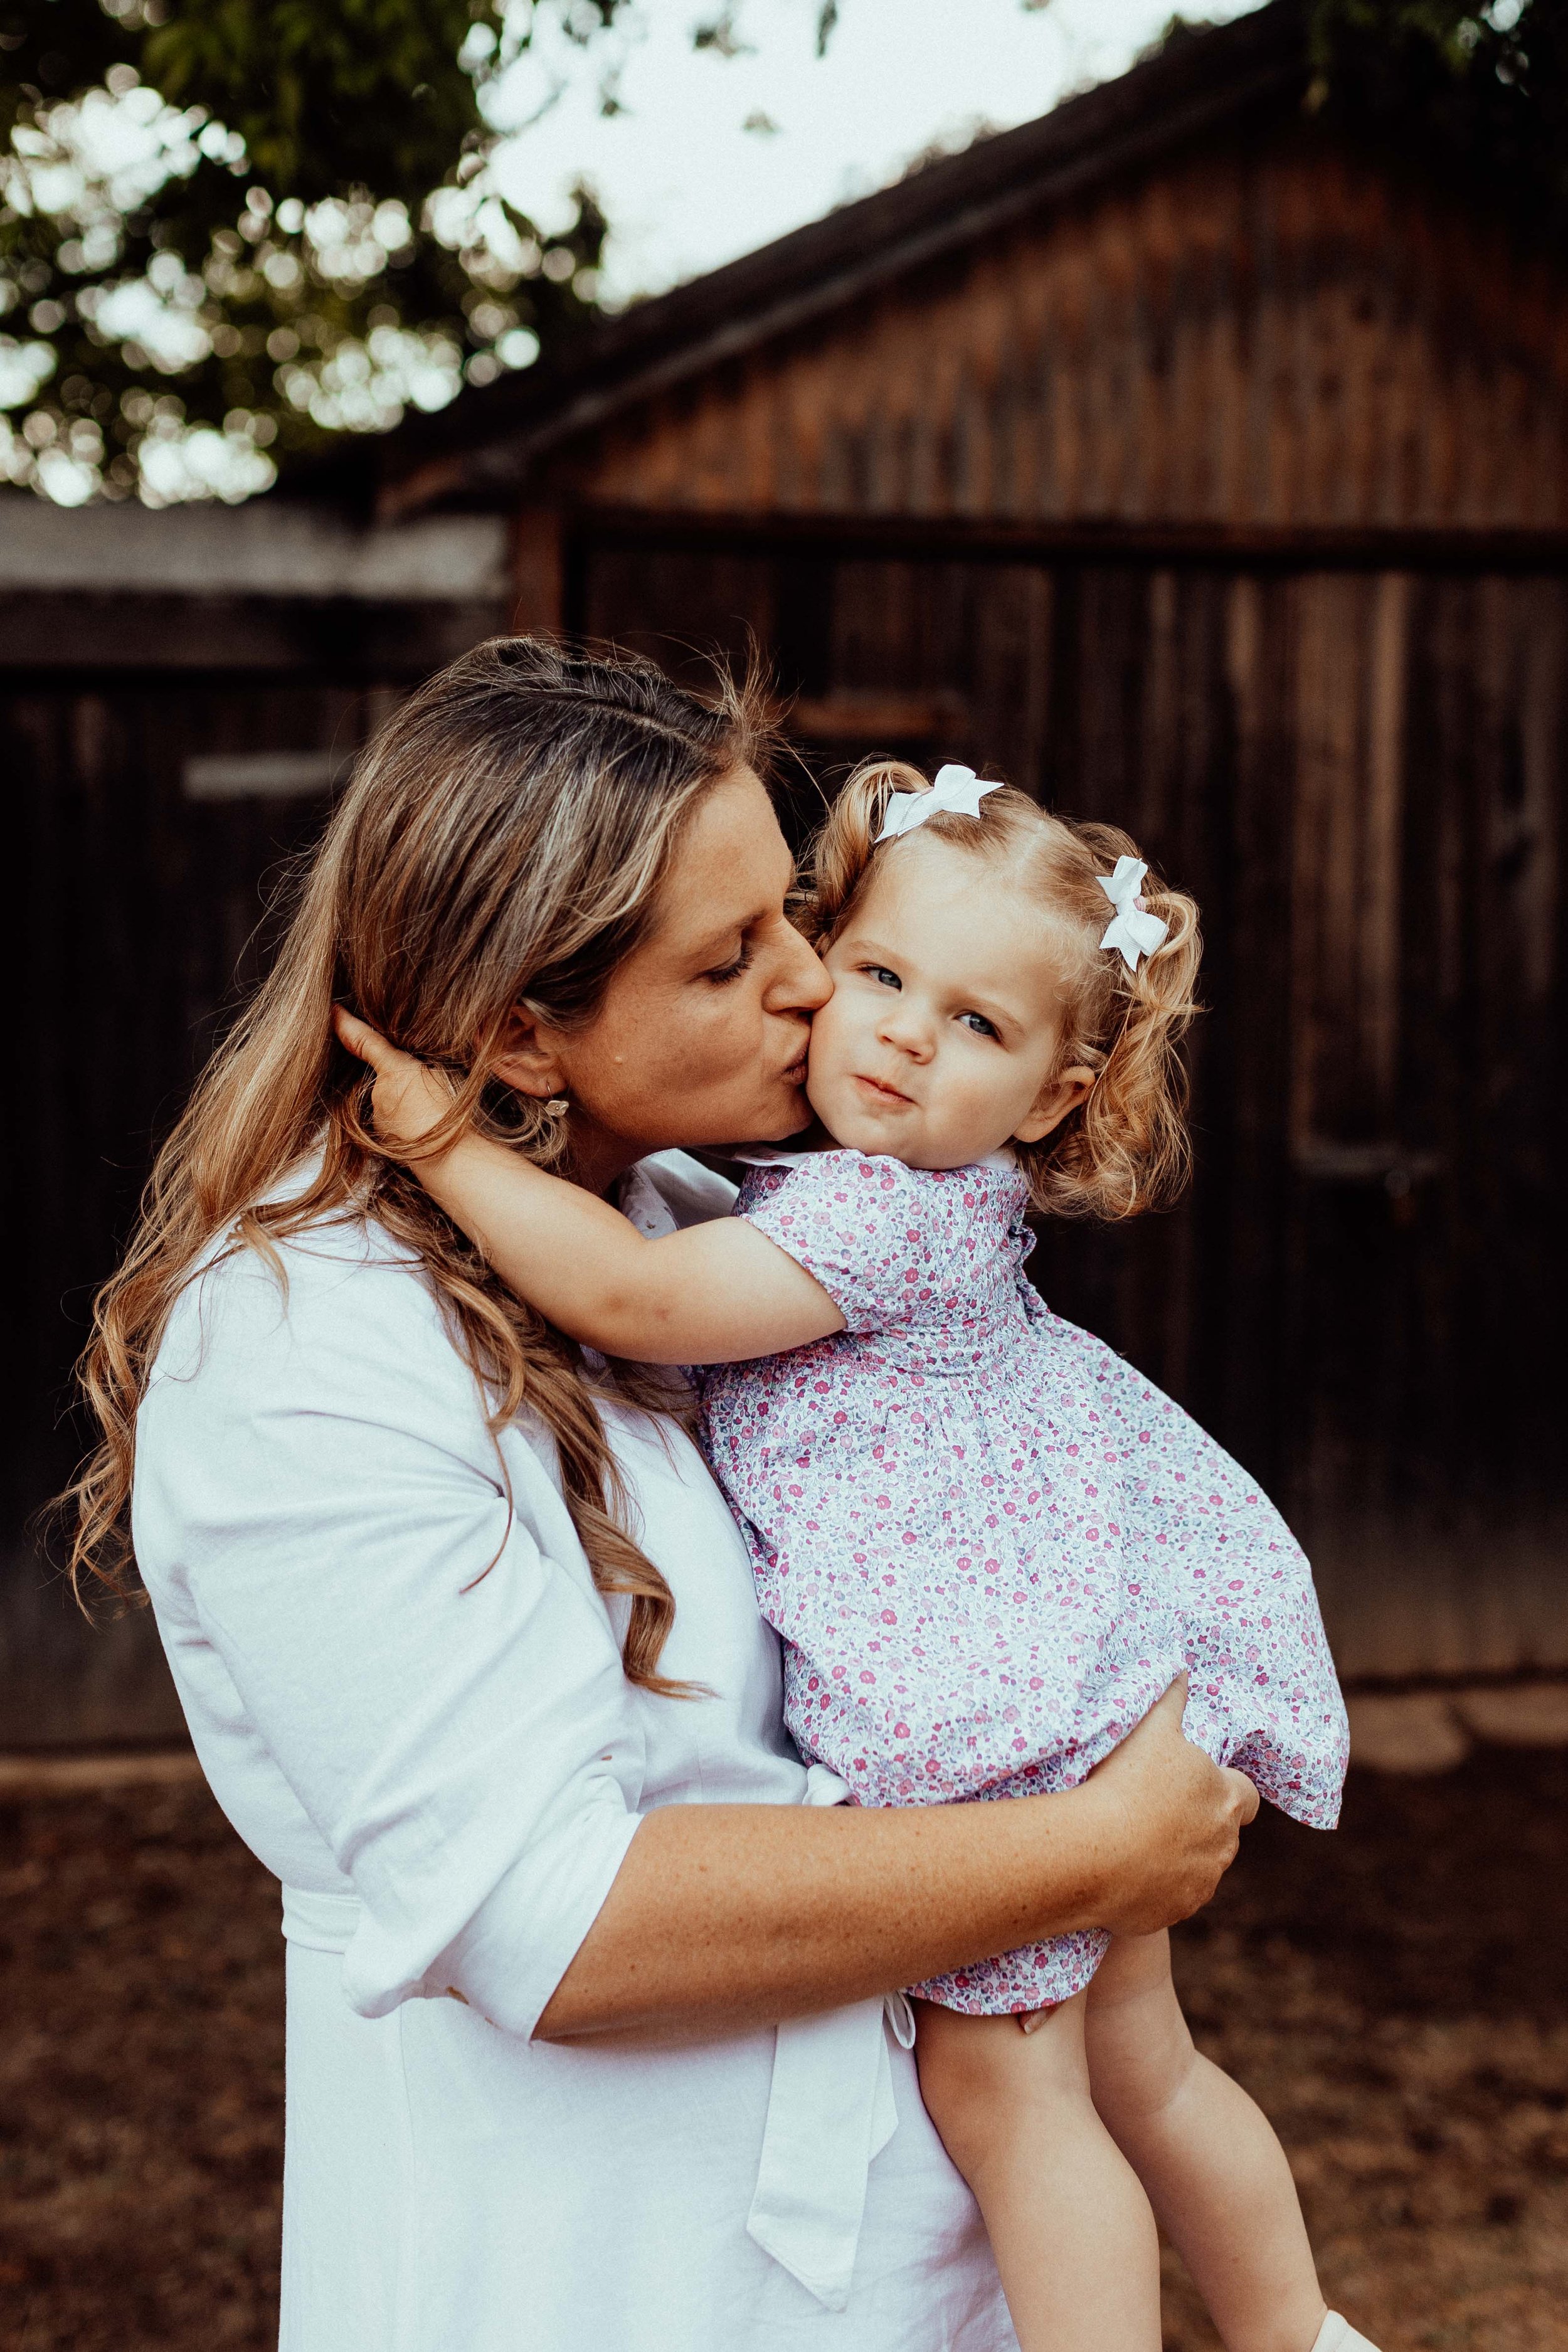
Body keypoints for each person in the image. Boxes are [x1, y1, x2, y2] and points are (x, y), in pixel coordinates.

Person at [68, 640, 1256, 2352]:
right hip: (595, 2269)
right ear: (518, 1031)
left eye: (794, 913)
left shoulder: (710, 1216)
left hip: (890, 2250)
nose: (814, 982)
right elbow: (546, 1919)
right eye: (733, 955)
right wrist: (1084, 1849)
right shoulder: (306, 1349)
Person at [332, 752, 1374, 2352]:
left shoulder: (882, 1215)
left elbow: (631, 1300)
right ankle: (1295, 2333)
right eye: (881, 975)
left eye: (975, 1023)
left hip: (994, 1720)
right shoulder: (835, 1190)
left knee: (1010, 2094)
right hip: (1065, 1659)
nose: (899, 1029)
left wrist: (442, 1144)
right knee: (1139, 2065)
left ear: (1050, 1097)